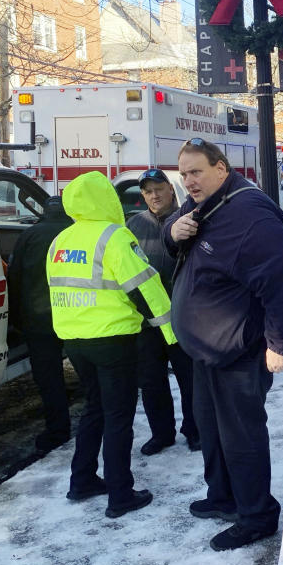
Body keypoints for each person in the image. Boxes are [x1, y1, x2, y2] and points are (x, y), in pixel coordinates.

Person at [163, 138, 283, 552]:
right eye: (184, 173)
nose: (188, 181)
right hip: (206, 350)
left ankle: (256, 515)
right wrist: (173, 232)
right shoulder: (203, 205)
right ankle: (223, 496)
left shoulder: (249, 213)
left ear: (221, 169)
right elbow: (172, 243)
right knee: (210, 427)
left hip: (239, 351)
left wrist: (281, 344)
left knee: (241, 436)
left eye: (197, 172)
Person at [47, 171, 177, 518]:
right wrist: (170, 333)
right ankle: (120, 494)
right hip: (113, 339)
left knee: (95, 408)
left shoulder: (61, 240)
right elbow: (145, 286)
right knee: (118, 416)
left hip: (74, 340)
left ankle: (82, 479)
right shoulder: (114, 237)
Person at [126, 169, 200, 455]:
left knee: (190, 379)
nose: (154, 195)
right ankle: (162, 433)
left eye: (159, 188)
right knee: (151, 381)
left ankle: (194, 430)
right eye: (147, 191)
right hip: (147, 322)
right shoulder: (132, 226)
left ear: (171, 189)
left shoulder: (187, 220)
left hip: (182, 317)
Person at [7, 197, 73, 452]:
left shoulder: (28, 236)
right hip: (77, 315)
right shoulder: (77, 233)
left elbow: (14, 277)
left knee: (49, 378)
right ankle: (98, 423)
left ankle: (58, 430)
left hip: (39, 320)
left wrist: (16, 319)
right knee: (90, 376)